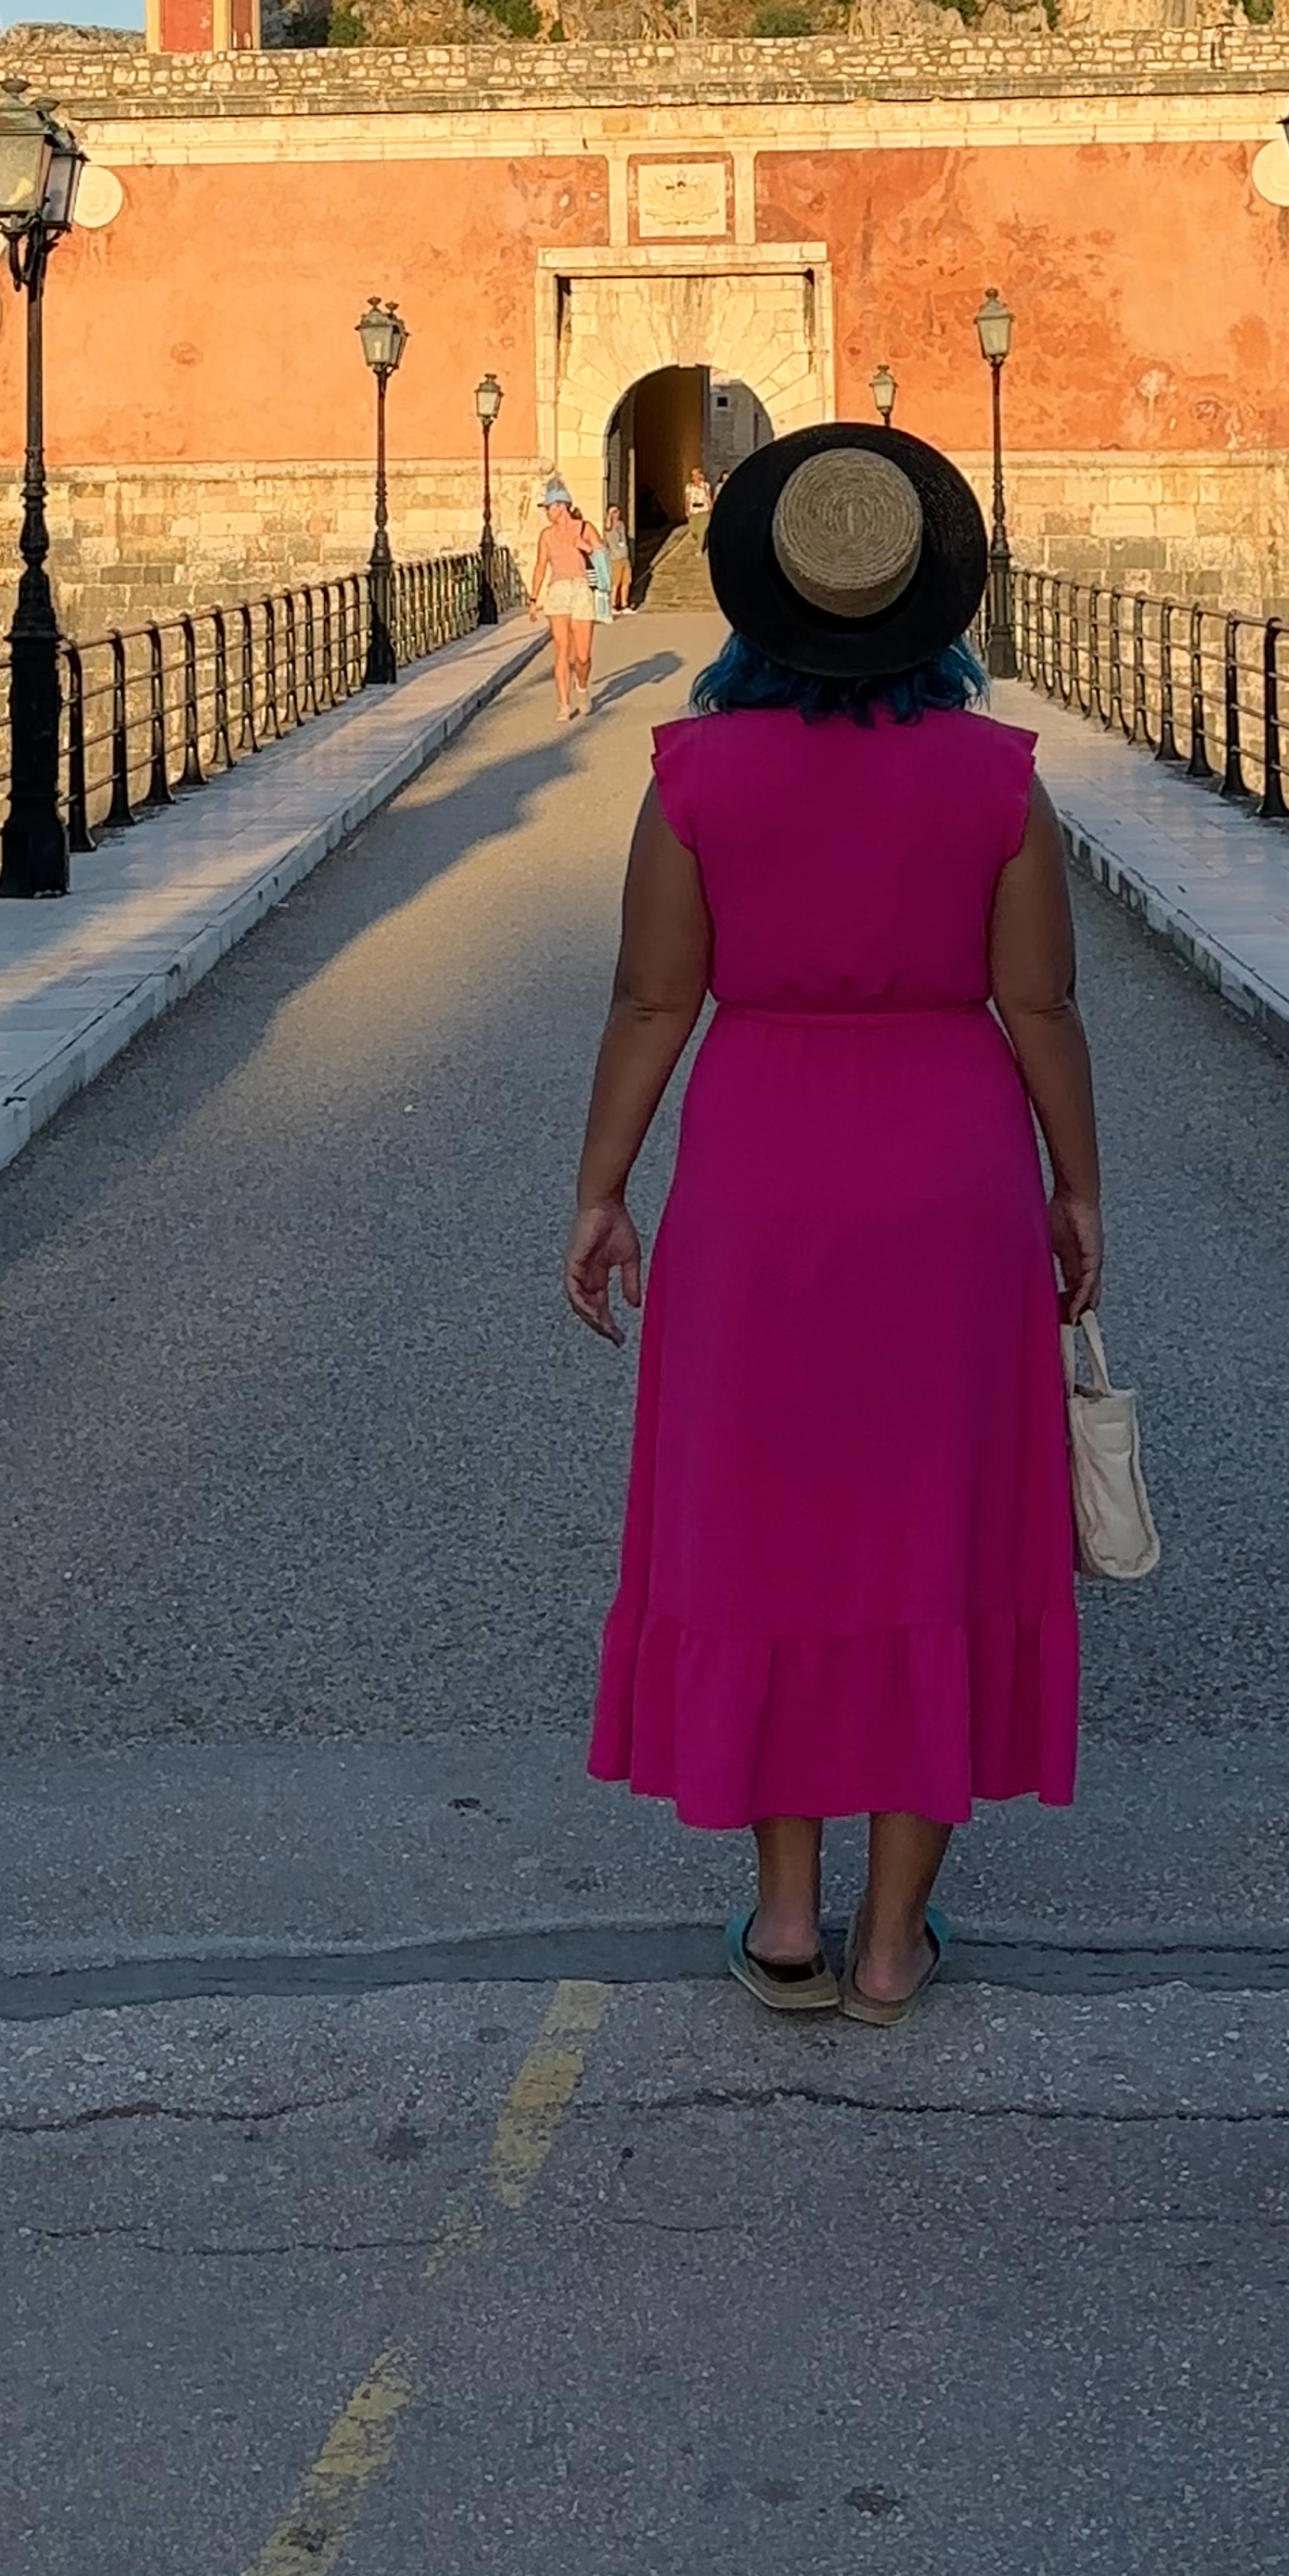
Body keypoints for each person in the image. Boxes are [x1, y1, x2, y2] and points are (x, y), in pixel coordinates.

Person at [564, 423, 1103, 2022]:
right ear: (929, 605)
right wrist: (1079, 1185)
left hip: (760, 1175)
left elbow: (656, 994)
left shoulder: (692, 772)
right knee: (940, 1519)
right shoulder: (995, 778)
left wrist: (601, 1184)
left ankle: (788, 1916)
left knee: (773, 1525)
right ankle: (894, 1940)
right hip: (952, 1170)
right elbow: (1044, 1001)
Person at [532, 477, 601, 722]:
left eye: (548, 508)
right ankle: (563, 704)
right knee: (561, 650)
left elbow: (604, 557)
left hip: (582, 589)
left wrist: (586, 547)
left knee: (582, 655)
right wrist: (534, 599)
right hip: (558, 591)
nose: (547, 513)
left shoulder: (585, 528)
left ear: (561, 506)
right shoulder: (547, 536)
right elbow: (541, 566)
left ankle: (581, 686)